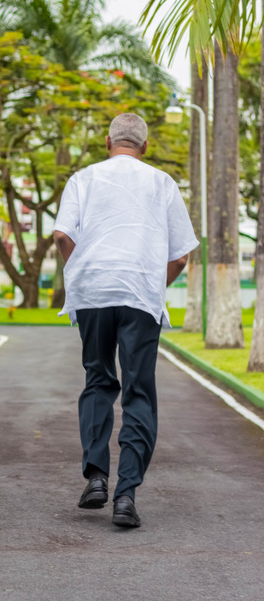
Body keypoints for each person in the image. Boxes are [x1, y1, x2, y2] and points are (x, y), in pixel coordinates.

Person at [53, 113, 199, 528]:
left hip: (93, 292)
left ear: (107, 141)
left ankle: (96, 476)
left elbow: (63, 236)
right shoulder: (162, 182)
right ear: (145, 147)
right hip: (140, 295)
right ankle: (126, 496)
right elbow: (181, 255)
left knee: (98, 380)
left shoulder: (83, 178)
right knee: (139, 392)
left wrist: (79, 272)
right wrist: (154, 285)